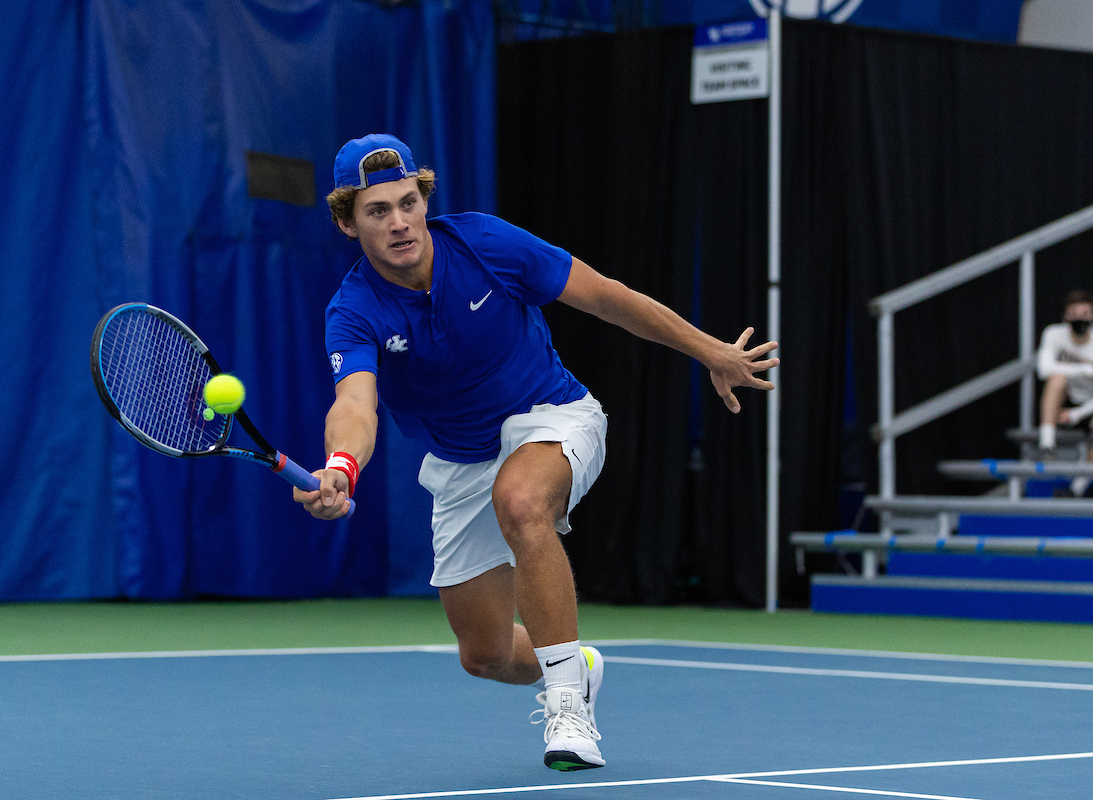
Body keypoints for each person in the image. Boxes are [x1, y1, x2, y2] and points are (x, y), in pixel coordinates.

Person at [294, 133, 779, 771]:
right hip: (462, 460)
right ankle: (575, 663)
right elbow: (356, 406)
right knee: (485, 655)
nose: (399, 222)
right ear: (347, 223)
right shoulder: (353, 310)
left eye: (407, 202)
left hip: (550, 416)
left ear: (424, 198)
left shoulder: (487, 244)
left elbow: (607, 295)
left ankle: (568, 708)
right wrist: (340, 468)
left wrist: (709, 350)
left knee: (521, 502)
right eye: (377, 211)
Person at [1037, 289, 1093, 493]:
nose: (1080, 319)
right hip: (1064, 399)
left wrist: (1077, 414)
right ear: (1065, 317)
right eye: (1074, 314)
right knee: (1057, 379)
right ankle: (1047, 444)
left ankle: (1077, 489)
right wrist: (1083, 370)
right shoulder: (1053, 333)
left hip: (1088, 406)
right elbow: (1044, 370)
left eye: (1085, 314)